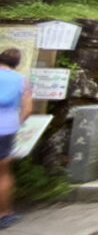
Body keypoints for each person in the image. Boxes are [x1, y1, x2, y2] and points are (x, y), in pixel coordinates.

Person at [0, 49, 30, 229]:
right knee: (3, 173)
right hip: (6, 127)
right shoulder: (21, 80)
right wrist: (17, 122)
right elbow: (27, 108)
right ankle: (4, 214)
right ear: (16, 63)